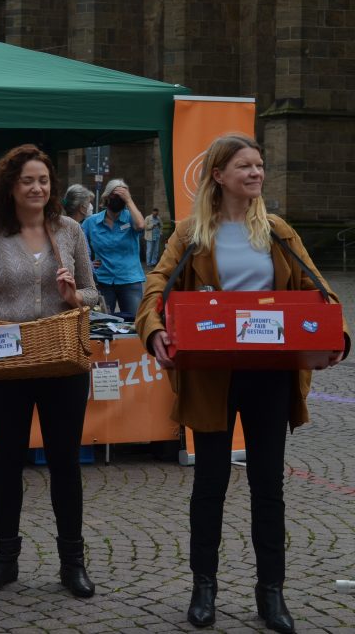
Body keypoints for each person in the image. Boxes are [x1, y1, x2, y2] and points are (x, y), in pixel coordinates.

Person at [135, 134, 349, 633]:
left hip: (270, 375)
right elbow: (156, 286)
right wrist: (154, 330)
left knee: (268, 485)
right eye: (245, 166)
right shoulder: (190, 233)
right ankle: (203, 589)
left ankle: (271, 594)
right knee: (209, 485)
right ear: (218, 174)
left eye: (259, 166)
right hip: (211, 375)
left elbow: (320, 290)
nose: (256, 174)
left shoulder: (276, 231)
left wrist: (336, 334)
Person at [0, 144, 99, 598]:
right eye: (28, 180)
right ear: (10, 186)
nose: (37, 187)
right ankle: (4, 559)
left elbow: (95, 294)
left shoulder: (69, 230)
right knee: (7, 462)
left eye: (44, 180)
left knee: (65, 463)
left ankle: (73, 563)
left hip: (62, 362)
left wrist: (74, 298)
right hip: (4, 362)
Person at [81, 178, 146, 316]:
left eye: (122, 197)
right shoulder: (91, 222)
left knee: (134, 324)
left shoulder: (130, 219)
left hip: (130, 280)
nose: (118, 199)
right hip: (103, 281)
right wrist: (89, 264)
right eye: (115, 195)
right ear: (106, 197)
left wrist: (128, 200)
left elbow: (140, 225)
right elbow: (78, 248)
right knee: (103, 323)